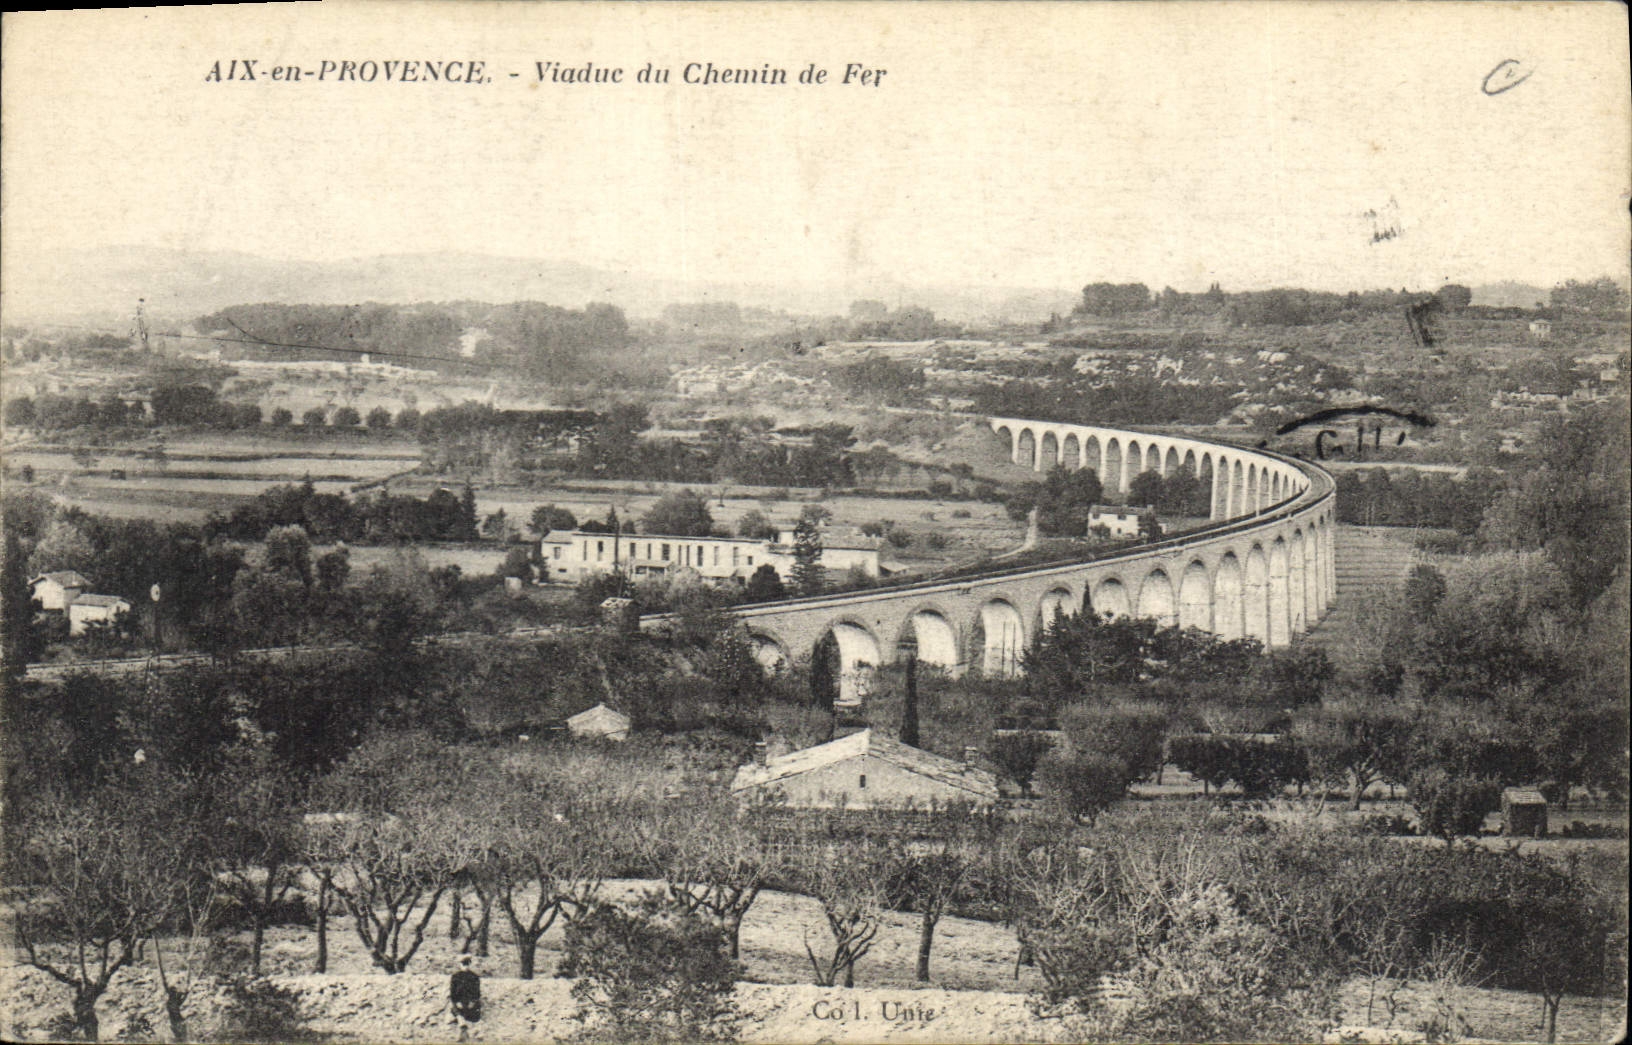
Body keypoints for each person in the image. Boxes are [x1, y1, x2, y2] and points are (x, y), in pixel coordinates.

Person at [449, 954, 482, 1041]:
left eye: (467, 964)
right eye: (463, 964)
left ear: (470, 964)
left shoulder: (474, 977)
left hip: (470, 1002)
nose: (465, 966)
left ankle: (463, 1028)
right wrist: (457, 1002)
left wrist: (473, 1001)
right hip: (459, 1001)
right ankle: (463, 1026)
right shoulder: (455, 977)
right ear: (460, 964)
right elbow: (452, 993)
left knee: (473, 1011)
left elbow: (477, 993)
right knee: (454, 1006)